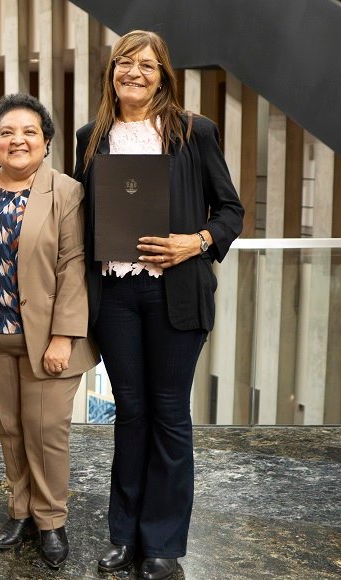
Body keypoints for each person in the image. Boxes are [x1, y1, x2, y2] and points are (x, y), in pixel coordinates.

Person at [74, 30, 243, 580]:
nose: (135, 73)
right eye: (125, 63)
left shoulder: (194, 132)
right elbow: (81, 215)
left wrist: (194, 242)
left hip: (176, 293)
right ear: (112, 72)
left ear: (163, 76)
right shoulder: (90, 137)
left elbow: (231, 211)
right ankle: (124, 536)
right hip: (115, 295)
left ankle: (164, 544)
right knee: (131, 412)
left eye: (148, 65)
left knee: (169, 414)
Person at [0, 93, 96, 570]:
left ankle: (51, 520)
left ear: (46, 142)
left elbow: (74, 265)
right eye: (7, 132)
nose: (18, 140)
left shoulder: (66, 192)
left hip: (48, 341)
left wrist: (64, 337)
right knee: (10, 430)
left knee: (46, 432)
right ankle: (20, 510)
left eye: (30, 132)